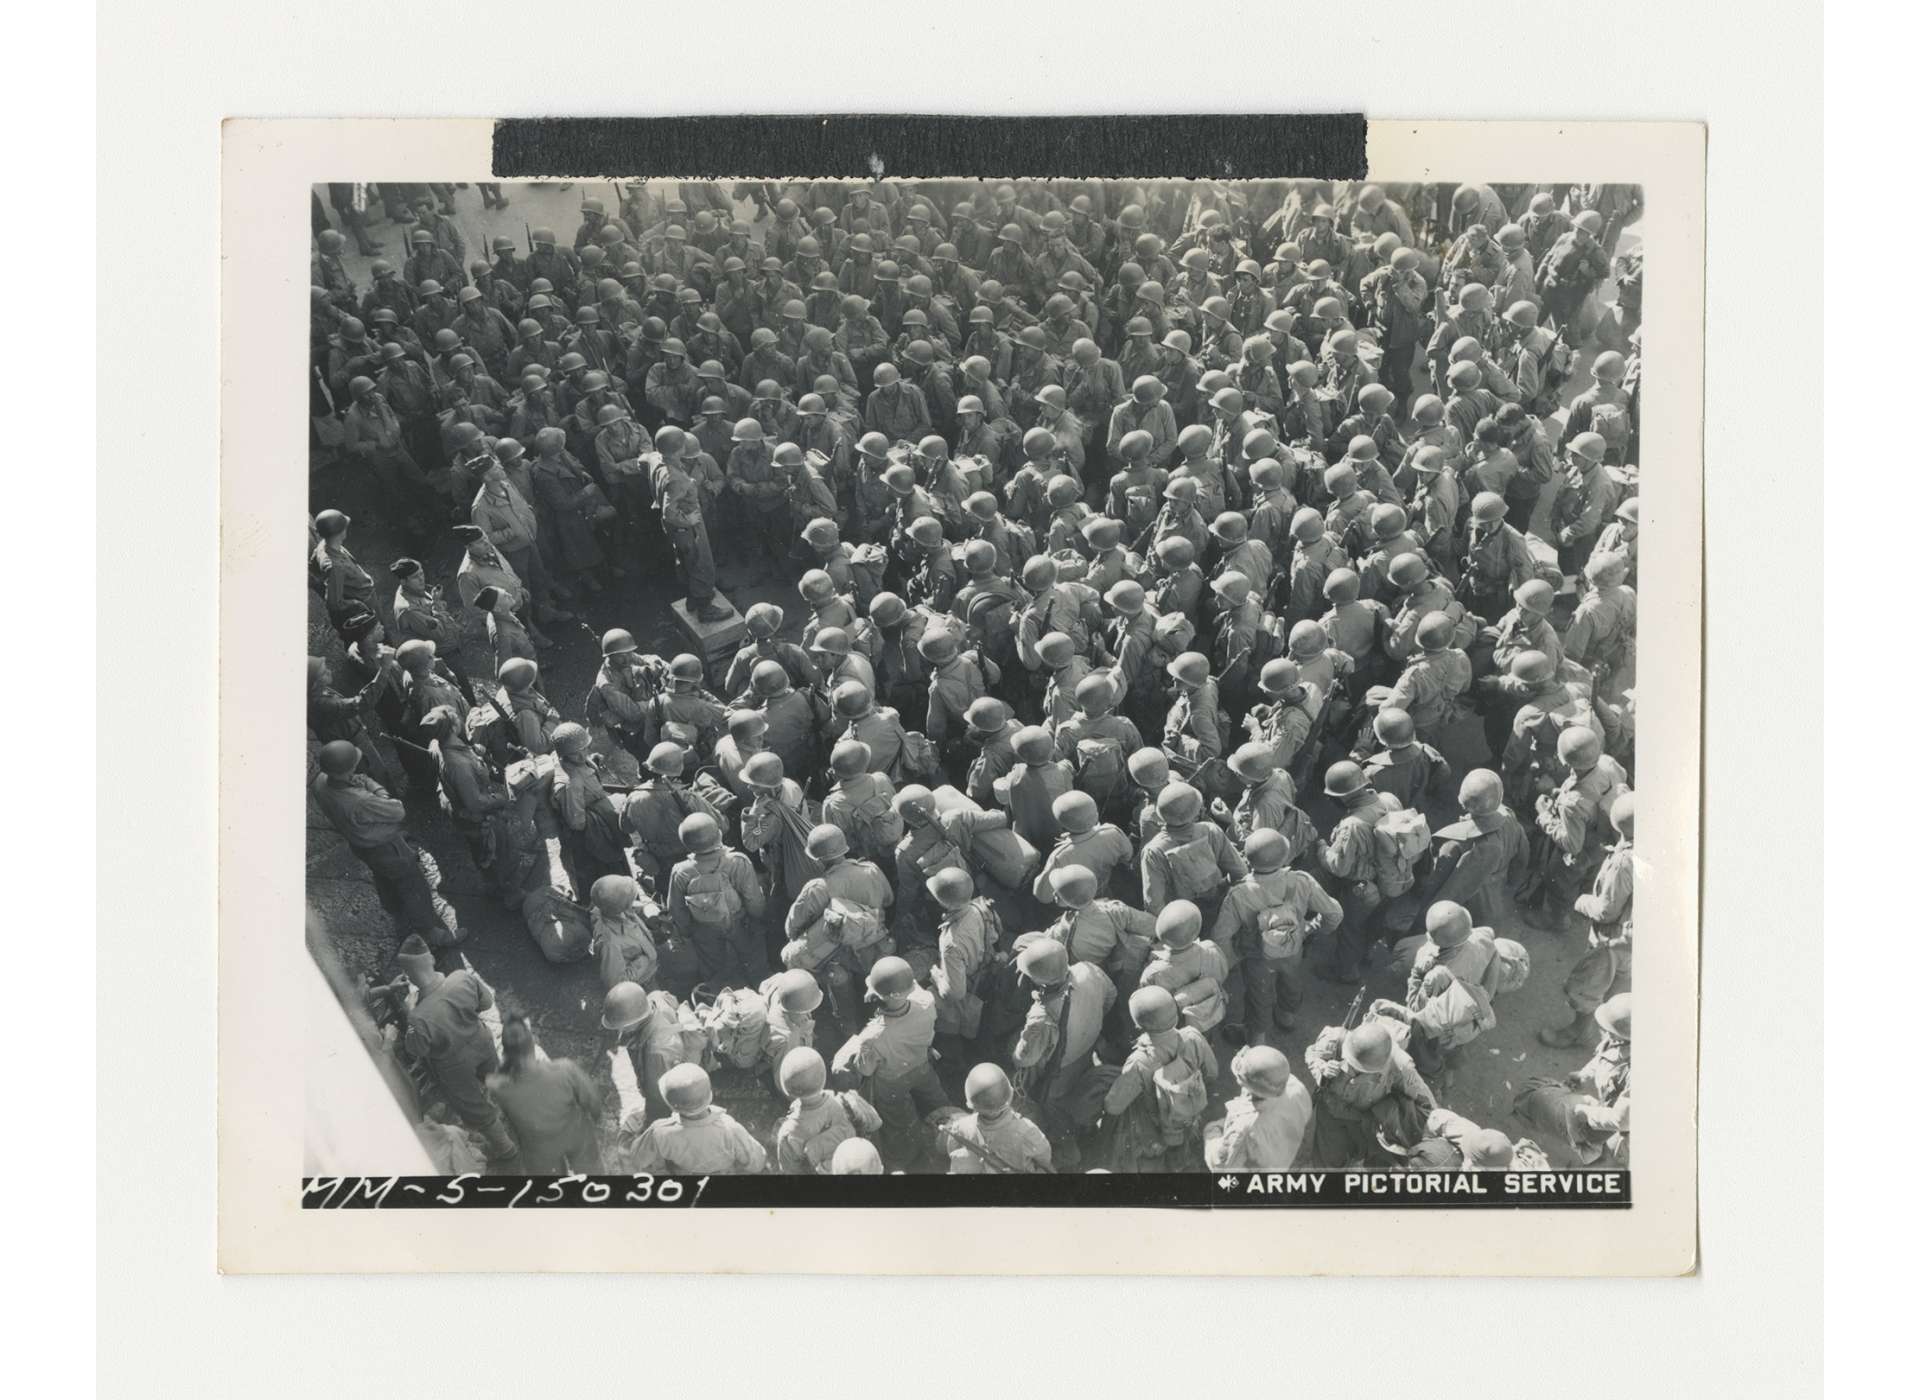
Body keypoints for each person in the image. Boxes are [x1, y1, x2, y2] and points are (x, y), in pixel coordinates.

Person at [310, 741, 450, 943]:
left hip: (361, 845)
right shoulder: (359, 800)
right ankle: (431, 931)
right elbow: (396, 810)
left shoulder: (321, 782)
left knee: (384, 878)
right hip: (387, 847)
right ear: (347, 770)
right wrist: (371, 785)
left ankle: (397, 911)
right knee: (414, 886)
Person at [396, 934, 514, 1160]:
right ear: (430, 960)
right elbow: (486, 1002)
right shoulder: (461, 977)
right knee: (497, 1076)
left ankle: (505, 1148)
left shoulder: (418, 1017)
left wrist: (409, 1012)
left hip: (453, 1065)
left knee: (473, 1105)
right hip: (481, 1040)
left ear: (409, 974)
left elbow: (415, 1049)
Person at [830, 956, 948, 1169]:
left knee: (897, 1122)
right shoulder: (926, 1001)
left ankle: (903, 1158)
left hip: (892, 1082)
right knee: (935, 1099)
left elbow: (866, 1070)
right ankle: (949, 1131)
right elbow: (908, 989)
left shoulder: (872, 1036)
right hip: (922, 1065)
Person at [1539, 793, 1635, 1047]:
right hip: (1635, 937)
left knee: (1587, 986)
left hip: (1611, 939)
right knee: (1620, 983)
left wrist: (1582, 901)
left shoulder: (1624, 863)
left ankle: (1579, 1031)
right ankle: (1612, 1029)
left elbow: (1606, 911)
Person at [1101, 985, 1218, 1173]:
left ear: (1138, 1024)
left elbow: (1113, 1106)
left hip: (1151, 1127)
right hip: (1187, 1115)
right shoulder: (1193, 1037)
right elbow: (1212, 1073)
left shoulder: (1139, 1061)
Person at [1304, 1019, 1437, 1167]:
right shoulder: (1336, 1038)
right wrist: (1321, 1069)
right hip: (1330, 1112)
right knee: (1325, 1161)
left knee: (1360, 1156)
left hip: (1364, 1122)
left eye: (1361, 1070)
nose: (1352, 1069)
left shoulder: (1400, 1066)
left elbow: (1428, 1103)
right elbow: (1312, 1054)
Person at [486, 1014, 604, 1172]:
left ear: (506, 1054)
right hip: (575, 1135)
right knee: (592, 1173)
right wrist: (596, 1117)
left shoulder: (498, 1087)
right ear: (533, 1044)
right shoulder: (565, 1070)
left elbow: (506, 1117)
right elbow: (593, 1102)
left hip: (538, 1148)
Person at [668, 812, 769, 985]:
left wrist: (687, 931)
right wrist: (757, 919)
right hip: (739, 922)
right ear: (719, 835)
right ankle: (760, 989)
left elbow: (676, 908)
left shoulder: (681, 871)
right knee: (753, 959)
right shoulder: (737, 862)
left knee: (713, 966)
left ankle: (720, 995)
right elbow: (753, 899)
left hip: (704, 928)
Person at [628, 1064, 769, 1174]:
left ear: (671, 1105)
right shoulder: (730, 1128)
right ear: (710, 1095)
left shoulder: (659, 1131)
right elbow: (757, 1163)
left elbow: (637, 1158)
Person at [773, 1047, 884, 1174]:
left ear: (785, 1086)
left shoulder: (788, 1134)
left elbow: (790, 1170)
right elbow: (876, 1123)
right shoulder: (849, 1102)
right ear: (823, 1076)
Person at [1204, 1045, 1315, 1170]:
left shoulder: (1243, 1128)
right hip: (1283, 1156)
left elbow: (1221, 1166)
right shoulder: (1295, 1087)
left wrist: (1211, 1132)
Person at [941, 1064, 1054, 1174]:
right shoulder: (1028, 1132)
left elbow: (952, 1150)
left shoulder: (960, 1127)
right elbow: (1044, 1158)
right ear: (1009, 1097)